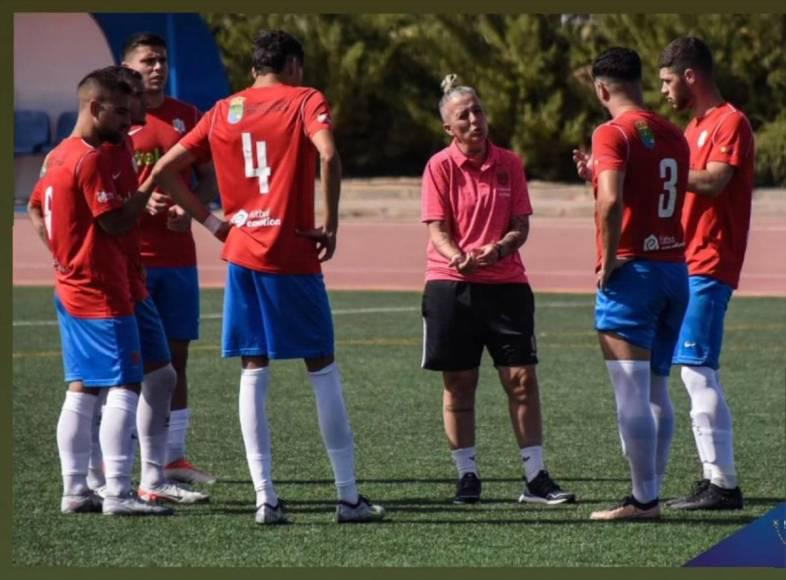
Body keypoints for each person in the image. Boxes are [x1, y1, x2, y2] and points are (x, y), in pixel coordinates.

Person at [150, 30, 385, 525]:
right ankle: (347, 497)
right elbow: (327, 153)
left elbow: (167, 169)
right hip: (292, 253)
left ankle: (266, 497)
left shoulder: (222, 110)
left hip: (242, 255)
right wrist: (332, 223)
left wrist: (213, 223)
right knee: (321, 368)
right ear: (294, 66)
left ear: (255, 67)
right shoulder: (304, 99)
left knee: (253, 371)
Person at [421, 74, 575, 507]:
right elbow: (438, 229)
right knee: (459, 384)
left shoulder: (510, 163)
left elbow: (521, 225)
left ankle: (535, 476)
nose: (474, 120)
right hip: (452, 287)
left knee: (522, 380)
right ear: (448, 128)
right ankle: (467, 475)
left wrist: (501, 247)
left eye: (478, 111)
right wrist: (459, 257)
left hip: (506, 286)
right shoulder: (439, 167)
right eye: (463, 116)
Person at [26, 68, 172, 516]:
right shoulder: (85, 159)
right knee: (119, 385)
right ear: (94, 108)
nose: (130, 122)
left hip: (119, 283)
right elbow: (115, 221)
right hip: (100, 290)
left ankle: (86, 488)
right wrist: (152, 182)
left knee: (152, 377)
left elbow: (36, 207)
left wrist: (64, 253)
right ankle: (117, 492)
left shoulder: (77, 153)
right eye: (122, 112)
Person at [572, 47, 690, 521]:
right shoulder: (673, 133)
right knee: (657, 388)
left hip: (635, 273)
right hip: (673, 268)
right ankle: (650, 492)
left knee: (630, 392)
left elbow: (613, 201)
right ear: (640, 82)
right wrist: (594, 180)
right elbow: (650, 191)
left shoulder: (610, 131)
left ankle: (643, 500)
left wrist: (610, 256)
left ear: (602, 89)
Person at [658, 37, 752, 510]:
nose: (663, 91)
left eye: (668, 80)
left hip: (711, 262)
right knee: (690, 371)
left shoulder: (730, 122)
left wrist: (659, 171)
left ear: (690, 76)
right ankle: (713, 478)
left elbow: (716, 181)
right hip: (685, 261)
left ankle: (724, 485)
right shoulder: (694, 127)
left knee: (697, 371)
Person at [122, 32, 218, 485]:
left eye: (161, 60)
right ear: (129, 68)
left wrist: (191, 206)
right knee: (130, 360)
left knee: (177, 357)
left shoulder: (186, 116)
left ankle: (175, 455)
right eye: (147, 61)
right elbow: (102, 186)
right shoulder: (118, 119)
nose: (156, 67)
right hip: (132, 259)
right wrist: (141, 202)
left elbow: (210, 175)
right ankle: (123, 455)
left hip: (178, 259)